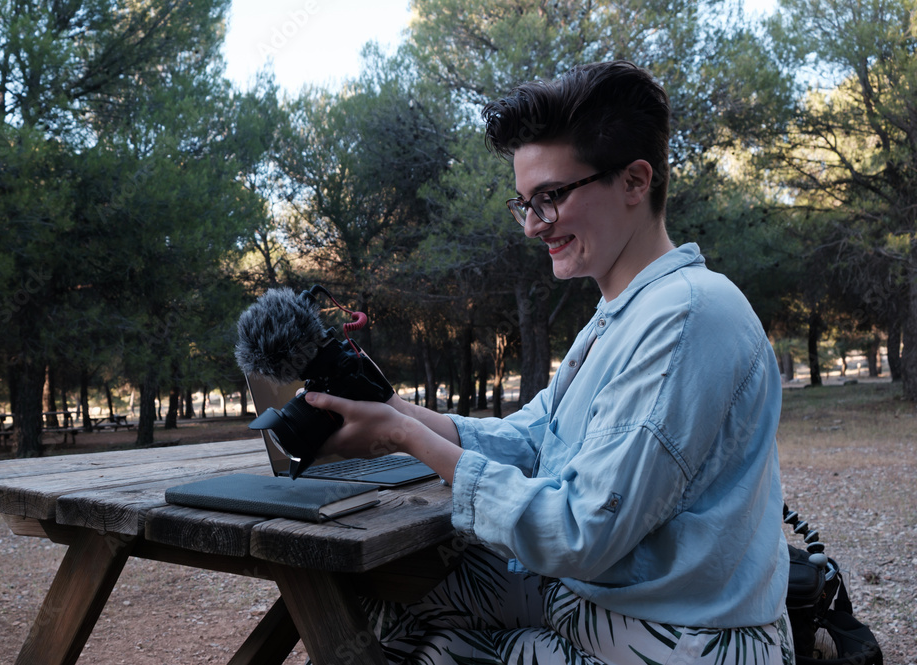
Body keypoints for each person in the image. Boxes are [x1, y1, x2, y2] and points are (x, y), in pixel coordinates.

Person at [305, 60, 794, 664]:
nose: (534, 226)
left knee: (410, 640)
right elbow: (535, 439)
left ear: (635, 181)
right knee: (385, 600)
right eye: (525, 203)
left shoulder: (686, 317)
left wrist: (406, 437)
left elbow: (580, 532)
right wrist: (390, 410)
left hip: (681, 635)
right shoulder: (622, 312)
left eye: (552, 197)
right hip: (614, 603)